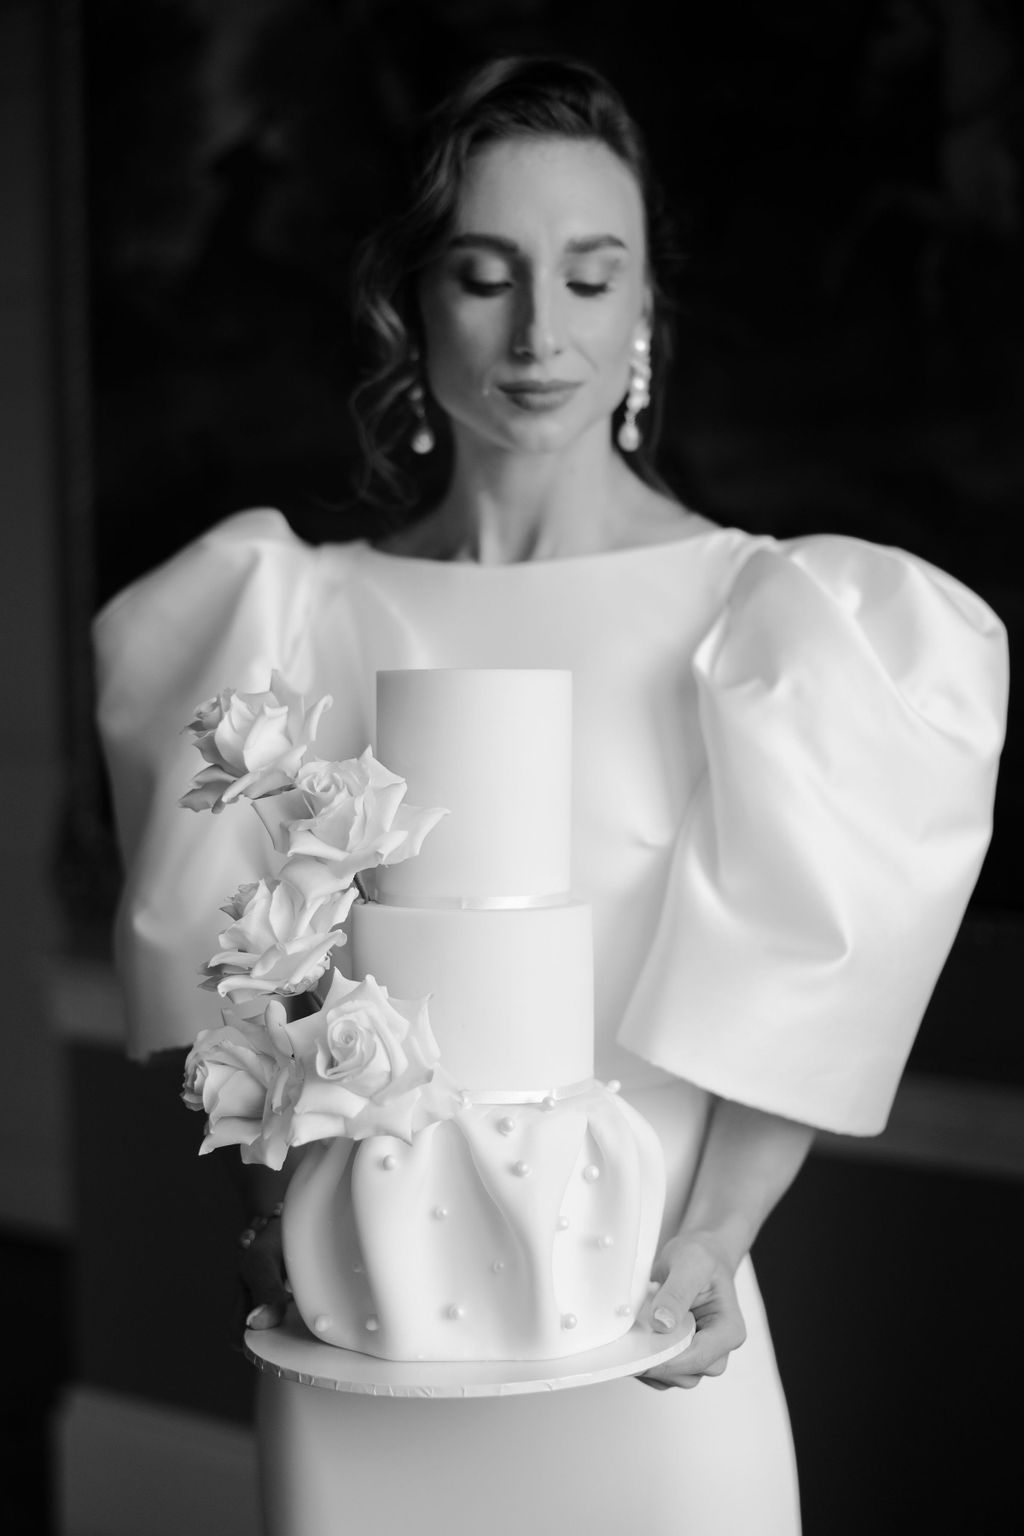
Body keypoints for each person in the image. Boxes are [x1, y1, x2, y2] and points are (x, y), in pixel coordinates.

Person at [93, 53, 1008, 1536]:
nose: (541, 334)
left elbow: (806, 985)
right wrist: (268, 1231)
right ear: (412, 302)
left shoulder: (772, 620)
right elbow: (240, 1013)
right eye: (486, 274)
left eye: (592, 278)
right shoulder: (283, 613)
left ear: (647, 306)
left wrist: (712, 1243)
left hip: (651, 1327)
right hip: (365, 1349)